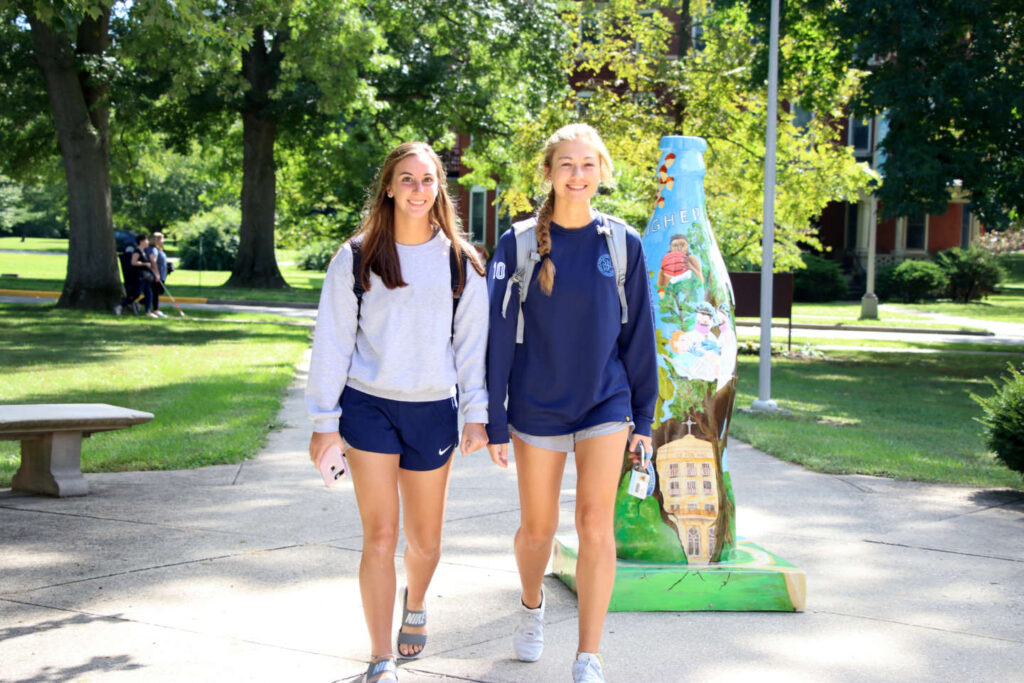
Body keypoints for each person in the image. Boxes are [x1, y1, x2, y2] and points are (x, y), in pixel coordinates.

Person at [306, 141, 489, 683]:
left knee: (425, 542)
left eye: (427, 179)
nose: (417, 189)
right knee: (381, 536)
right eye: (406, 178)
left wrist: (476, 414)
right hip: (369, 408)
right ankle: (380, 656)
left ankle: (417, 602)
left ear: (439, 189)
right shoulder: (357, 256)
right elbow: (332, 342)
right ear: (388, 187)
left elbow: (471, 348)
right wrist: (324, 424)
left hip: (432, 410)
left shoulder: (461, 262)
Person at [485, 123, 658, 683]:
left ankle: (589, 655)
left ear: (602, 171)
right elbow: (496, 338)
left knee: (595, 525)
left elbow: (639, 336)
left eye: (588, 164)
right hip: (537, 404)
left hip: (605, 403)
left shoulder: (623, 244)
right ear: (549, 172)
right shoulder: (517, 245)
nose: (577, 174)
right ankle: (531, 605)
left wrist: (644, 419)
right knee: (538, 530)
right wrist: (494, 420)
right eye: (566, 164)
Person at [147, 232, 170, 318]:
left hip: (162, 273)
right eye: (161, 239)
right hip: (157, 274)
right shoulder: (154, 249)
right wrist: (157, 274)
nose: (163, 241)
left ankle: (154, 309)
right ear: (156, 240)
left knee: (157, 291)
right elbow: (153, 261)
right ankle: (155, 309)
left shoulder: (158, 249)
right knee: (156, 292)